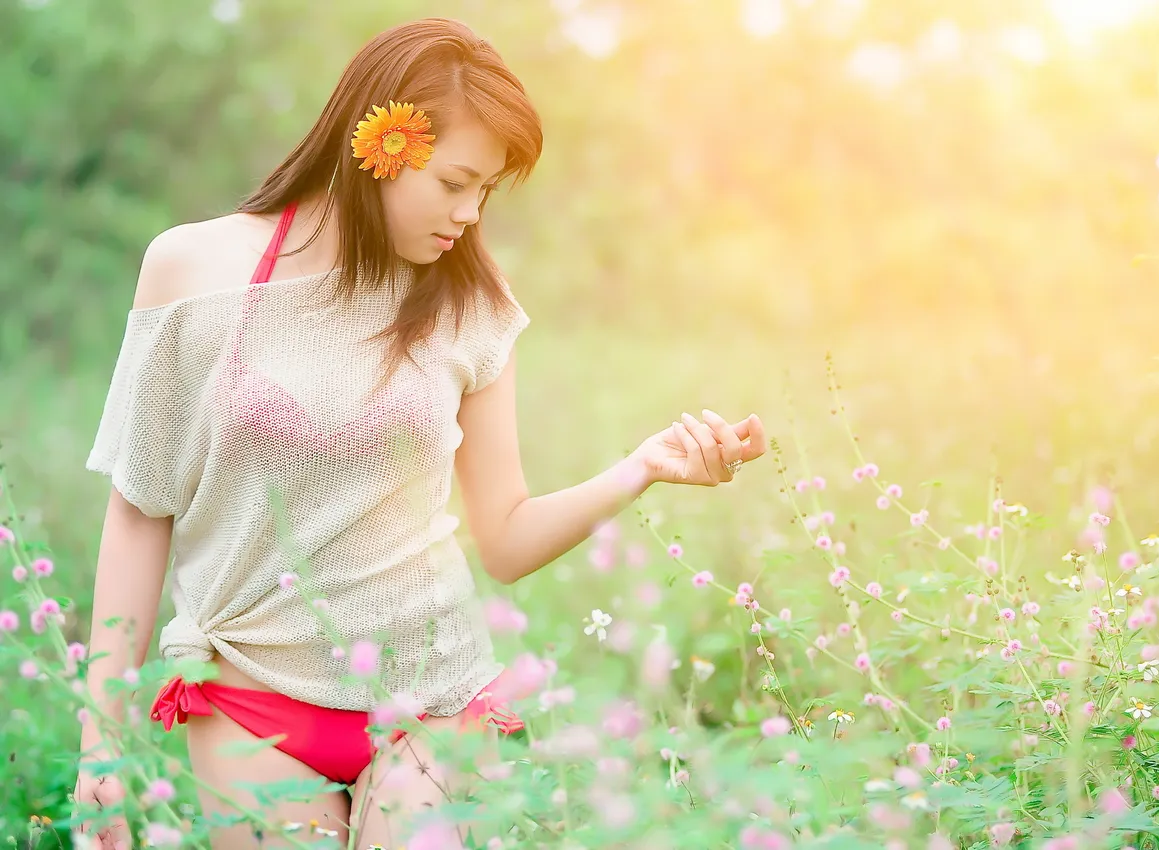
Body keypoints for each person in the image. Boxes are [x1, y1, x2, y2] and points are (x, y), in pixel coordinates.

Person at [71, 16, 766, 850]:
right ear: (381, 144)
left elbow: (504, 537)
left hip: (430, 699)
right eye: (454, 181)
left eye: (487, 191)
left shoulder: (472, 304)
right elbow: (140, 508)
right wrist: (100, 742)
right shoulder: (192, 270)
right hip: (249, 690)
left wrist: (641, 468)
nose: (469, 213)